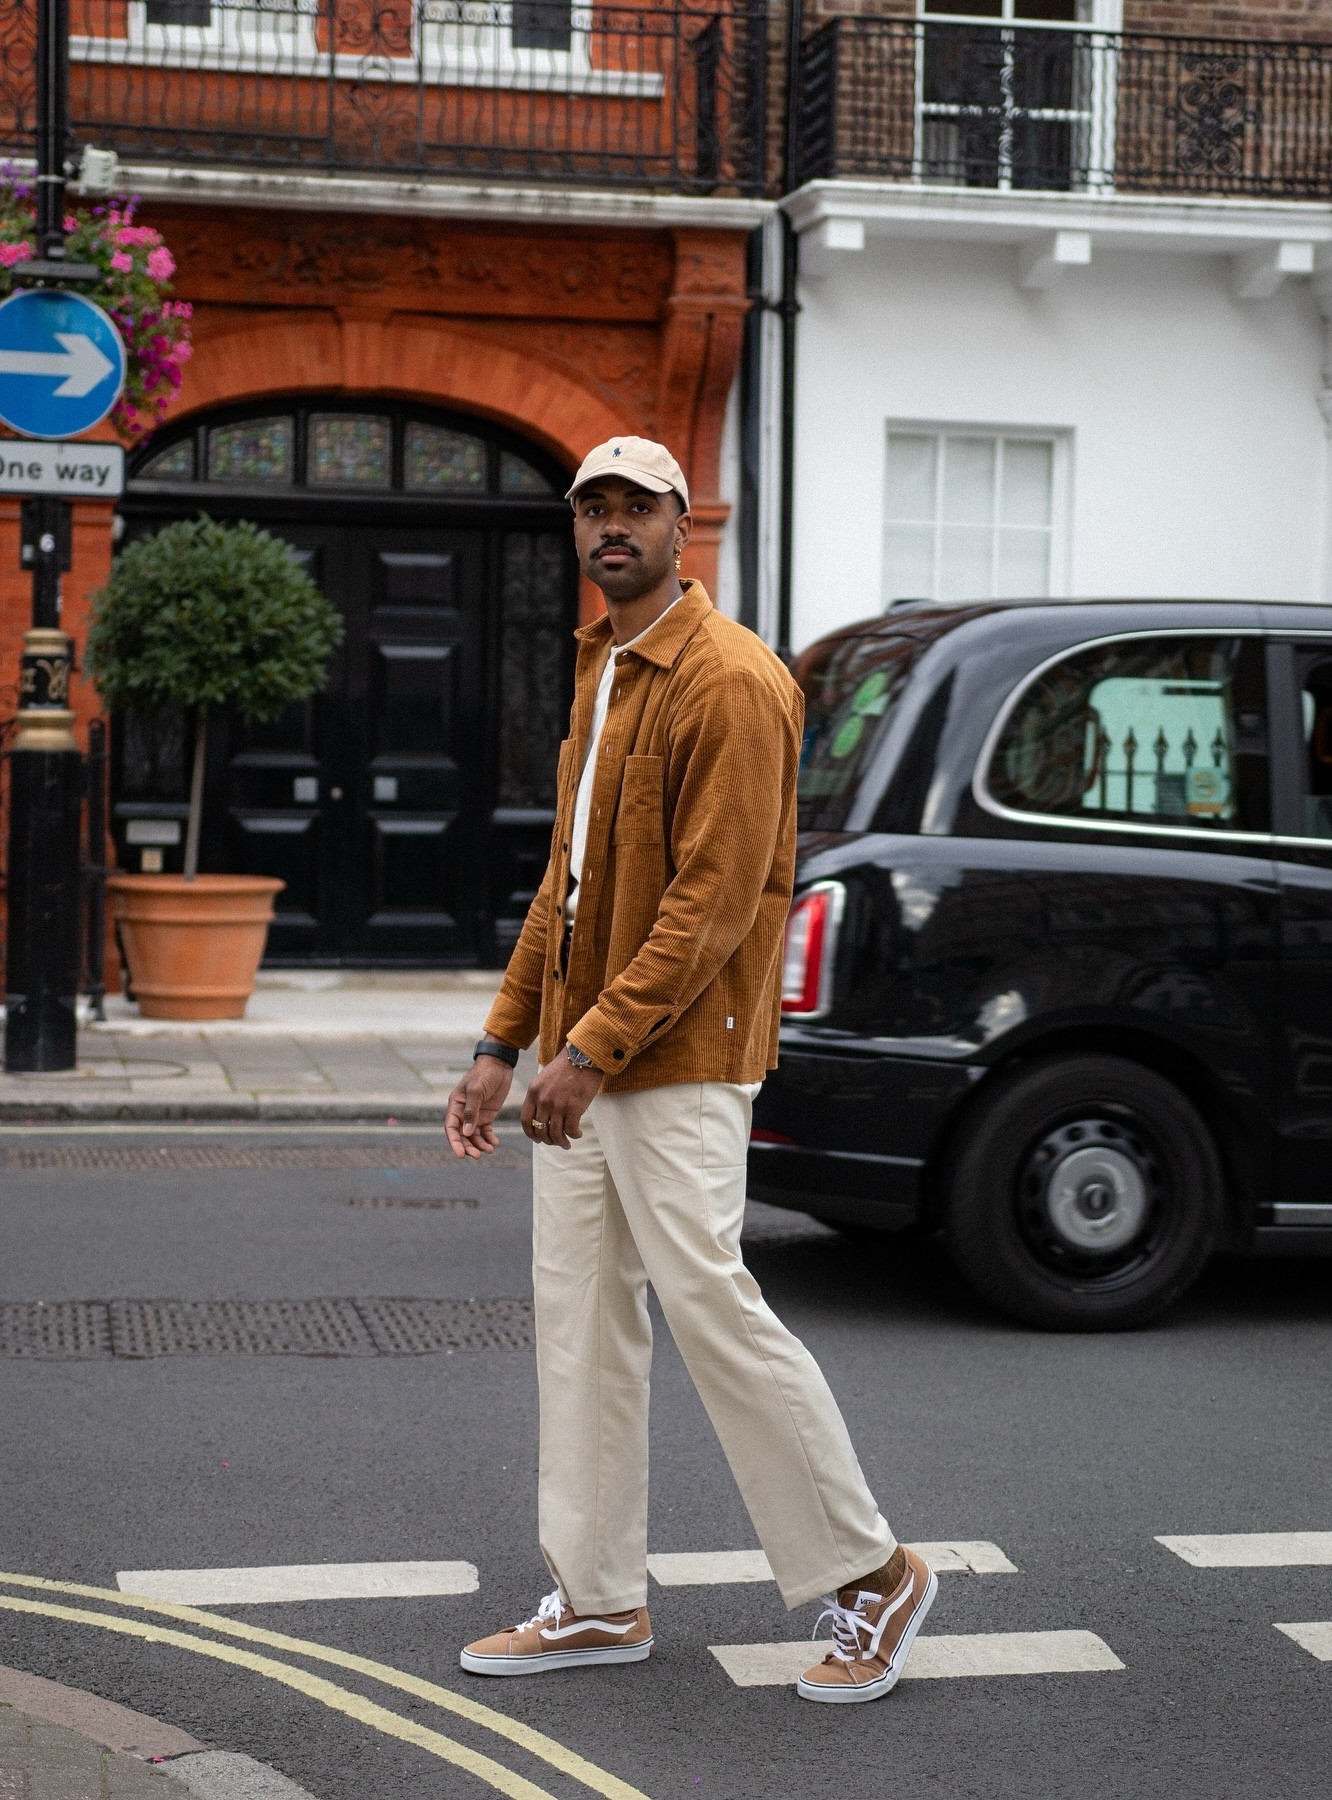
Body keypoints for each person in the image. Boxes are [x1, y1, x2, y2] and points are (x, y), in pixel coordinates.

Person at [443, 436, 935, 1703]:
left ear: (680, 527)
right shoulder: (602, 668)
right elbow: (566, 880)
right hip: (579, 1065)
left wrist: (591, 1049)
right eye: (592, 510)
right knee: (583, 1333)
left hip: (678, 1063)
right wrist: (504, 1044)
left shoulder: (732, 682)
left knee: (713, 1312)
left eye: (636, 509)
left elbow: (717, 901)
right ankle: (599, 1599)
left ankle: (873, 1576)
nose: (613, 527)